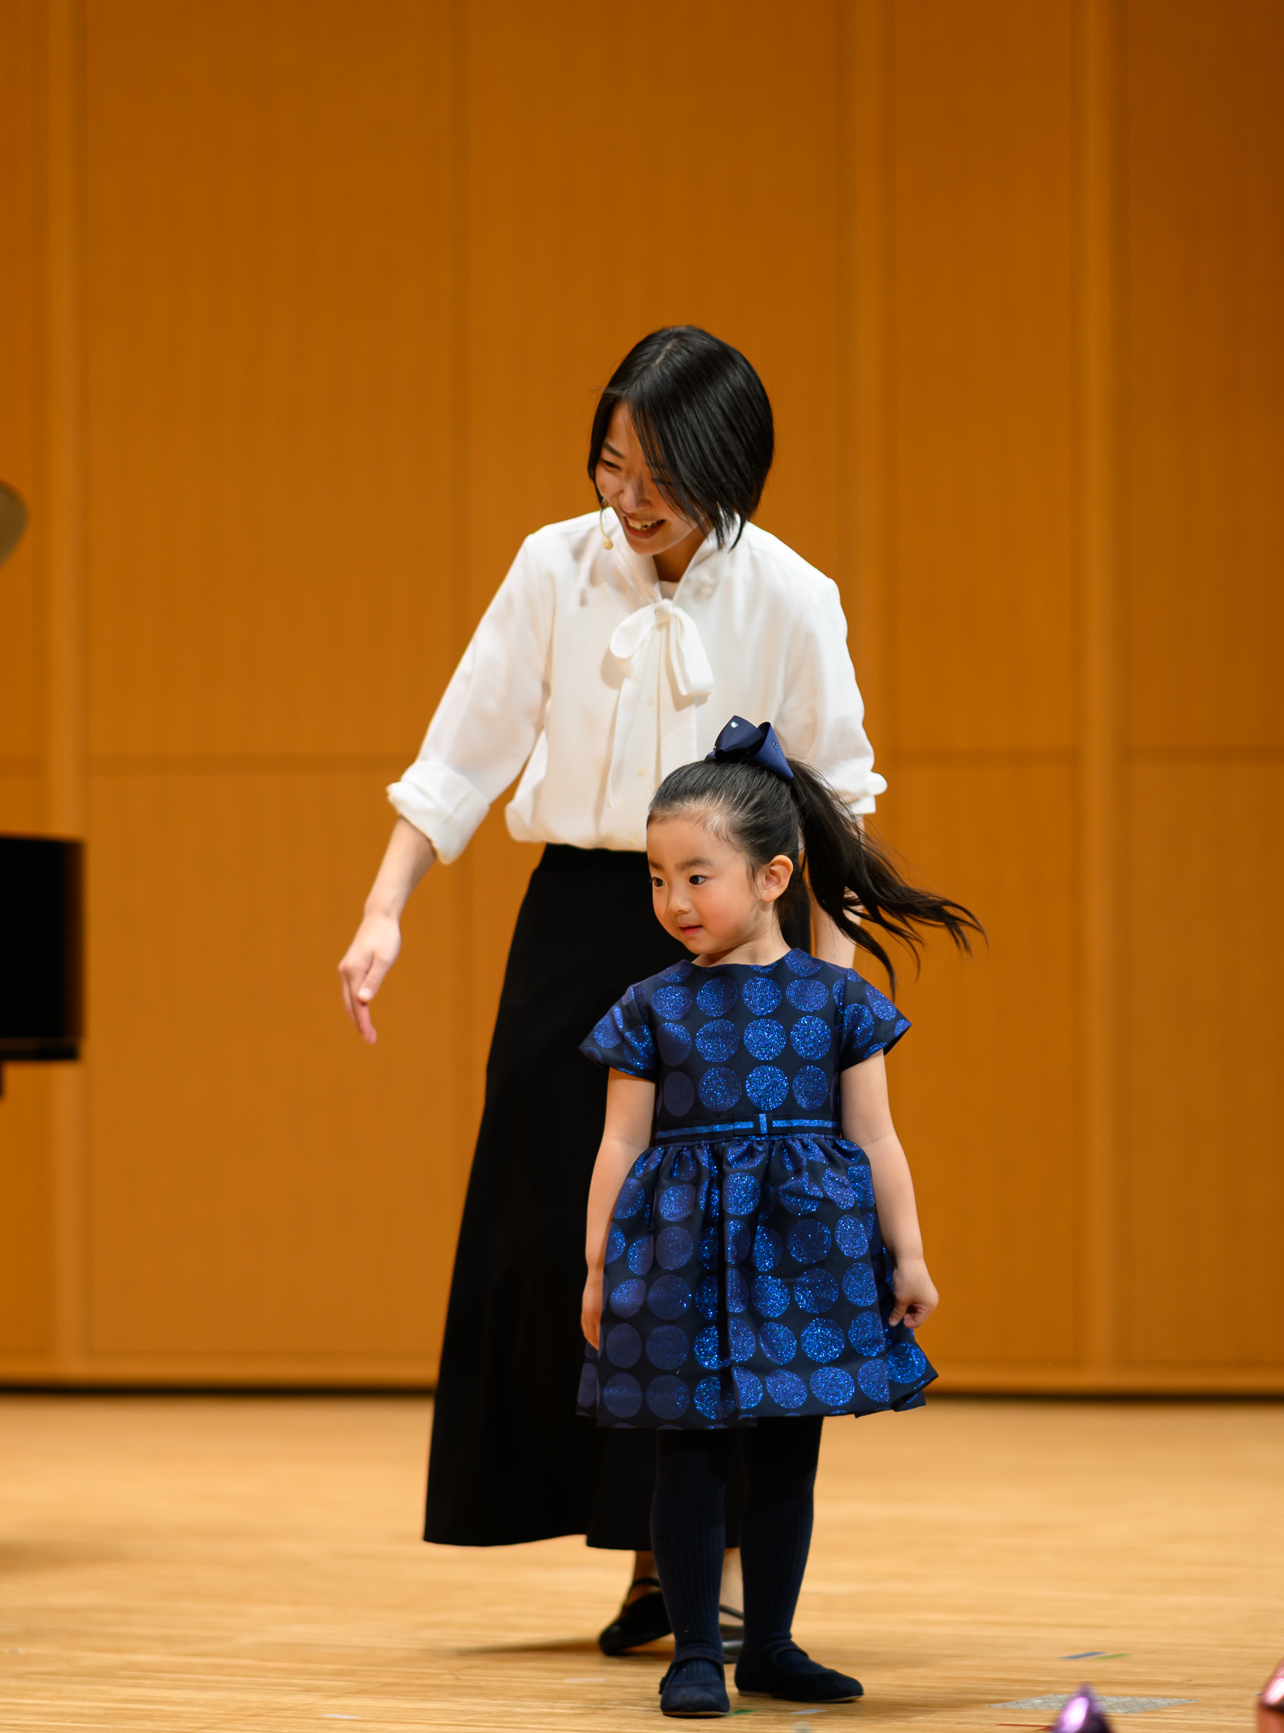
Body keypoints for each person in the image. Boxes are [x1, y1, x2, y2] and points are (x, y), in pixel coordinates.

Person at [337, 328, 887, 1648]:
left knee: (731, 1254)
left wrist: (833, 992)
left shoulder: (794, 598)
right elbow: (462, 749)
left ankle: (732, 1560)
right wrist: (383, 907)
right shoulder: (553, 566)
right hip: (585, 918)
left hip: (742, 943)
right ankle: (646, 1547)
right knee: (562, 1229)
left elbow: (839, 801)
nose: (625, 498)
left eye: (655, 474)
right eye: (609, 464)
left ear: (726, 467)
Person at [577, 717, 979, 1717]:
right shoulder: (648, 1005)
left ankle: (771, 1644)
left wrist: (910, 1252)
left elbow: (876, 1139)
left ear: (771, 876)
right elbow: (619, 1145)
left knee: (788, 1453)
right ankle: (695, 1651)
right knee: (690, 1449)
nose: (672, 900)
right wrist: (595, 1267)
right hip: (680, 1255)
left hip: (806, 1249)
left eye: (696, 875)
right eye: (656, 877)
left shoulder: (838, 1002)